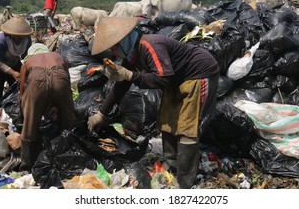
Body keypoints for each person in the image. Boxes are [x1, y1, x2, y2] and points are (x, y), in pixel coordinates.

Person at [87, 17, 220, 188]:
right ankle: (173, 164)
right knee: (165, 120)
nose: (112, 52)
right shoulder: (132, 56)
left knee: (187, 127)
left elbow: (162, 79)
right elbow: (120, 87)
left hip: (199, 73)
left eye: (113, 47)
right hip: (176, 79)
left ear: (123, 41)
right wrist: (101, 114)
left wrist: (130, 75)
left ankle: (185, 181)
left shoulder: (149, 45)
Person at [18, 43, 76, 171]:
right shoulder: (58, 56)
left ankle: (27, 164)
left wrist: (26, 114)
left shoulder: (28, 62)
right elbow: (67, 88)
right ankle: (70, 153)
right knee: (68, 118)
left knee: (30, 124)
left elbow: (21, 93)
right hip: (59, 75)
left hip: (36, 78)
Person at [0, 16, 33, 115]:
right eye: (16, 36)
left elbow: (26, 56)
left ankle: (15, 111)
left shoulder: (27, 40)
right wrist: (12, 72)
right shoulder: (2, 40)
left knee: (20, 86)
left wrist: (24, 69)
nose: (18, 38)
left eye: (21, 36)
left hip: (12, 60)